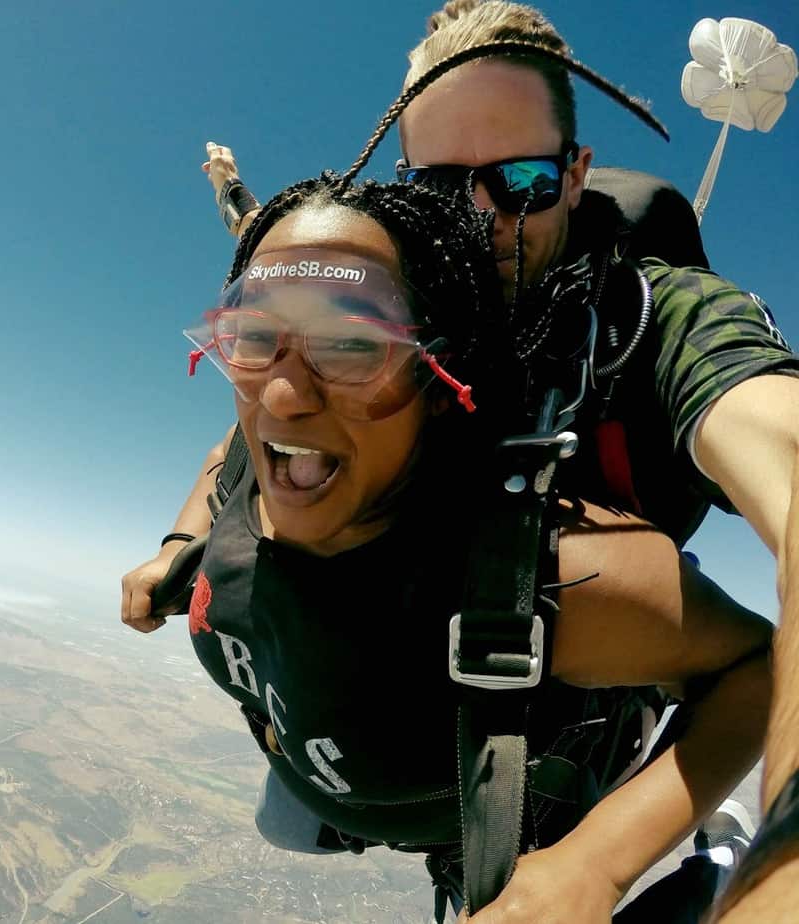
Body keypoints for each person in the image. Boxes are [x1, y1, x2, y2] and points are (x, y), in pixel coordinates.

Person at [123, 3, 799, 917]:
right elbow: (243, 450)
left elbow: (784, 458)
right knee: (298, 815)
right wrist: (180, 544)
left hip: (561, 677)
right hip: (372, 687)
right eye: (443, 186)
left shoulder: (663, 322)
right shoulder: (375, 295)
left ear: (577, 173)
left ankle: (698, 852)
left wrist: (605, 864)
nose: (484, 220)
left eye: (522, 180)